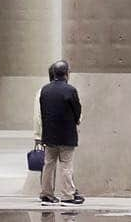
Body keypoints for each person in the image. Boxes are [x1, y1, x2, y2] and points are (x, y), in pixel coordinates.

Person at [34, 59, 84, 206]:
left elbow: (43, 113)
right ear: (67, 74)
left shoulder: (45, 90)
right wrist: (76, 120)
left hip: (49, 135)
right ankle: (68, 195)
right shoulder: (70, 90)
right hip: (66, 135)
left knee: (48, 164)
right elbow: (77, 111)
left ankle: (46, 194)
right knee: (66, 165)